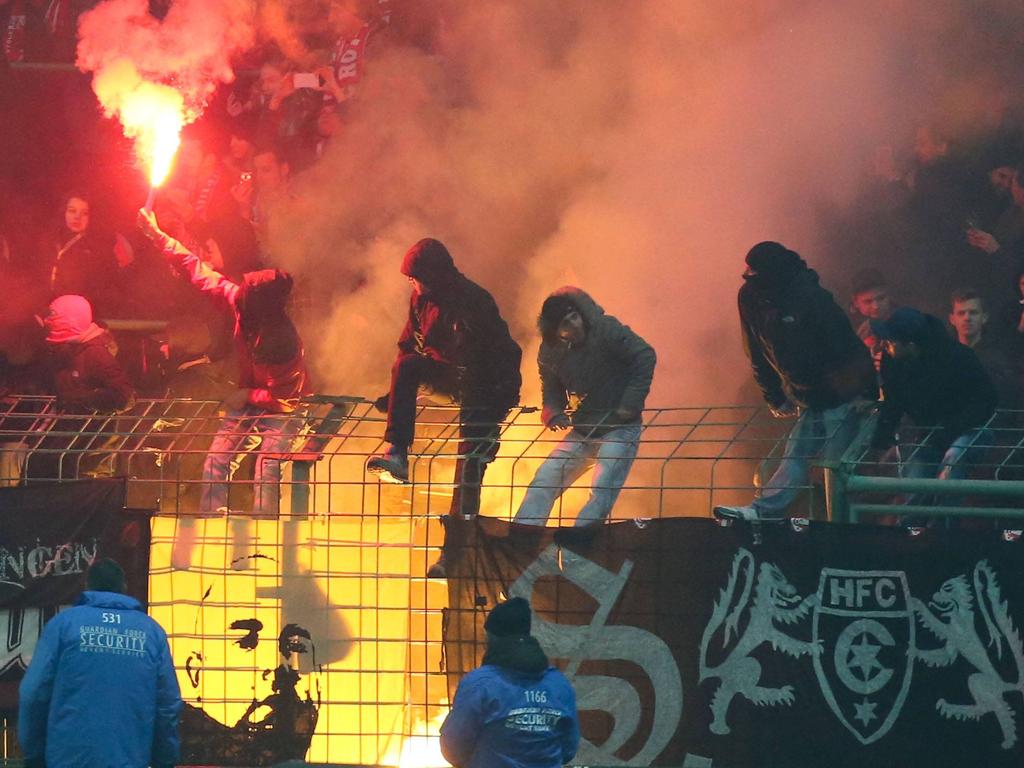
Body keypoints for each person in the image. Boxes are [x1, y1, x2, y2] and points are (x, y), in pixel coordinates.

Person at [138, 207, 311, 516]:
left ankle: (265, 526)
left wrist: (246, 395)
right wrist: (158, 235)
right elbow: (195, 270)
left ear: (261, 307)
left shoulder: (282, 341)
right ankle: (210, 519)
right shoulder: (241, 303)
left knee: (268, 464)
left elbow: (286, 399)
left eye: (246, 293)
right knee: (218, 456)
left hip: (286, 407)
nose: (237, 293)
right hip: (252, 398)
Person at [366, 238, 521, 578]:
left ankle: (455, 555)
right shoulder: (422, 298)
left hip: (488, 384)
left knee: (469, 466)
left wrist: (487, 411)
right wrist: (398, 395)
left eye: (414, 276)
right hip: (454, 374)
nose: (410, 283)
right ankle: (396, 452)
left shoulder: (473, 300)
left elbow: (490, 356)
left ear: (432, 273)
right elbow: (409, 344)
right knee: (406, 366)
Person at [714, 242, 877, 522]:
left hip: (841, 395)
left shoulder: (812, 298)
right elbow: (755, 349)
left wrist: (867, 393)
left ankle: (841, 527)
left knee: (834, 467)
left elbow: (847, 347)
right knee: (799, 456)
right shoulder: (750, 297)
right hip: (808, 396)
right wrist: (774, 395)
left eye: (755, 272)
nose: (748, 276)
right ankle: (764, 512)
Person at [513, 287, 656, 529]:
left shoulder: (606, 329)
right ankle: (523, 537)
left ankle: (580, 544)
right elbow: (552, 385)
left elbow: (645, 355)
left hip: (619, 428)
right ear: (555, 331)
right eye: (566, 324)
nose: (574, 325)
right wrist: (553, 411)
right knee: (545, 479)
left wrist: (628, 405)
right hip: (583, 429)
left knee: (601, 491)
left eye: (574, 317)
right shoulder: (550, 351)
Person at [18, 558, 182, 768]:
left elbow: (32, 693)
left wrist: (34, 756)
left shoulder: (63, 625)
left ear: (87, 586)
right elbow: (167, 704)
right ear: (124, 588)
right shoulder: (151, 632)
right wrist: (164, 760)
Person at [439, 597, 579, 768]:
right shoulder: (559, 685)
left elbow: (453, 748)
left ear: (491, 639)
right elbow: (569, 749)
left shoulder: (479, 684)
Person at [871, 306, 997, 492]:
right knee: (916, 483)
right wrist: (881, 439)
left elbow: (986, 400)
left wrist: (950, 429)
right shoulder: (894, 361)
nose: (885, 345)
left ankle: (944, 520)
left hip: (972, 429)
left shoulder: (959, 358)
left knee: (952, 463)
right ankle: (912, 520)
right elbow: (893, 400)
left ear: (911, 345)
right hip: (932, 435)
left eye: (891, 341)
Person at [948, 288, 1020, 408]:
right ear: (952, 319)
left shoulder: (999, 358)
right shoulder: (943, 355)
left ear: (984, 317)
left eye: (973, 312)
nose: (967, 318)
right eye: (961, 313)